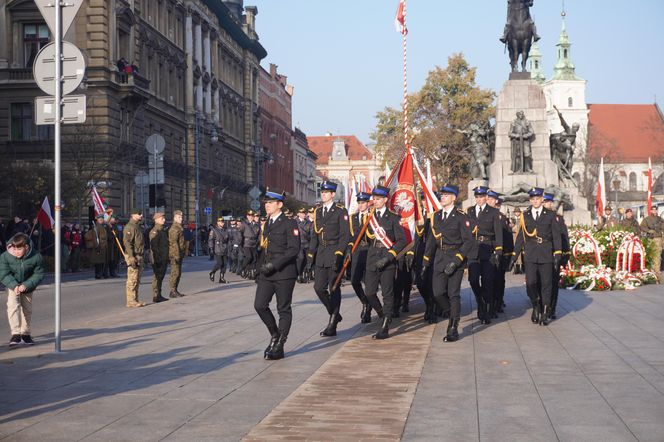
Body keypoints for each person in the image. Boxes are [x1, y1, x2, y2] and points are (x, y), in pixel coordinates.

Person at [421, 184, 474, 342]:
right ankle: (453, 313)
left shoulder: (461, 217)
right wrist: (425, 261)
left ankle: (453, 327)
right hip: (439, 257)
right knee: (437, 292)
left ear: (453, 198)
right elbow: (431, 240)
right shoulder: (435, 216)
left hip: (455, 257)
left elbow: (468, 242)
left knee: (453, 293)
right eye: (442, 195)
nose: (442, 197)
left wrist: (458, 260)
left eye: (445, 195)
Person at [254, 188, 300, 360]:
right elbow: (264, 248)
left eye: (270, 203)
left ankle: (280, 344)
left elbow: (293, 250)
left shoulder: (290, 223)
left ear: (279, 205)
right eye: (266, 203)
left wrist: (274, 265)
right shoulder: (267, 223)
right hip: (266, 272)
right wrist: (258, 269)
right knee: (259, 305)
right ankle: (275, 334)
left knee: (283, 309)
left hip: (284, 272)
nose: (267, 205)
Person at [511, 187, 562, 325]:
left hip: (546, 252)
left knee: (546, 284)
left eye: (538, 198)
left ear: (542, 199)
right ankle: (536, 305)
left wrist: (558, 253)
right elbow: (521, 236)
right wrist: (514, 255)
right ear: (530, 200)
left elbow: (556, 236)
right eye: (533, 199)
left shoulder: (550, 215)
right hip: (531, 253)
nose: (535, 201)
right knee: (531, 283)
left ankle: (545, 311)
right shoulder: (525, 215)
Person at [362, 185, 407, 340]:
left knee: (387, 294)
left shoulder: (394, 218)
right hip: (372, 257)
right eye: (374, 198)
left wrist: (389, 257)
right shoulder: (369, 217)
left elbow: (402, 241)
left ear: (385, 200)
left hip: (387, 259)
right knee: (369, 292)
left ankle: (385, 325)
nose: (375, 201)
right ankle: (382, 314)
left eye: (379, 198)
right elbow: (366, 238)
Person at [308, 181, 351, 337]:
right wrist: (310, 255)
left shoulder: (340, 211)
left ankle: (332, 323)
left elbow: (345, 234)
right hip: (321, 252)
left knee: (333, 288)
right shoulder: (318, 211)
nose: (323, 194)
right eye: (322, 191)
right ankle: (335, 313)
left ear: (333, 194)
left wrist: (339, 253)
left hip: (334, 251)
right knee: (318, 288)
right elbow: (315, 235)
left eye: (326, 192)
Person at [0, 233, 44, 347]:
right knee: (12, 306)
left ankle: (25, 334)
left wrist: (27, 285)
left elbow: (38, 274)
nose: (16, 251)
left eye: (19, 249)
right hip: (12, 284)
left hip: (27, 284)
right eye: (14, 248)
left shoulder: (36, 256)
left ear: (26, 247)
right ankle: (15, 334)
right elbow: (3, 273)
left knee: (27, 309)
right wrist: (14, 285)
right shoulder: (5, 256)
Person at [467, 186, 503, 324]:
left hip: (487, 250)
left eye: (482, 197)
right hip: (473, 250)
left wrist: (498, 251)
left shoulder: (493, 212)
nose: (479, 199)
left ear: (486, 198)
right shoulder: (469, 211)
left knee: (488, 282)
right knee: (473, 280)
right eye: (477, 197)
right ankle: (480, 300)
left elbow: (498, 233)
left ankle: (486, 310)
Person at [543, 193, 569, 319]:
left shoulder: (557, 218)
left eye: (547, 202)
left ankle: (551, 308)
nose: (545, 204)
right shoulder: (534, 217)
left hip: (554, 255)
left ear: (551, 203)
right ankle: (540, 305)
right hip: (540, 254)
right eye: (544, 202)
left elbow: (564, 236)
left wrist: (566, 253)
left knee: (552, 283)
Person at [348, 192, 372, 323]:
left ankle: (368, 309)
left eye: (363, 203)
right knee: (354, 280)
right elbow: (350, 235)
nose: (361, 205)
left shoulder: (372, 216)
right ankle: (365, 302)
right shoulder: (353, 218)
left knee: (369, 283)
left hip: (369, 251)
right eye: (359, 203)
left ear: (368, 203)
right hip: (357, 251)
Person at [488, 192, 513, 314]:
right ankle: (489, 302)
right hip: (487, 253)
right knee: (488, 279)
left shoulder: (501, 218)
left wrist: (508, 255)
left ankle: (497, 302)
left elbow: (507, 238)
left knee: (498, 280)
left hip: (500, 254)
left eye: (492, 199)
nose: (489, 201)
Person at [123, 209, 146, 307]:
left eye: (141, 213)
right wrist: (131, 256)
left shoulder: (137, 226)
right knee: (132, 279)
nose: (141, 215)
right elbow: (127, 243)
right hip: (133, 255)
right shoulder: (130, 227)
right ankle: (130, 301)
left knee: (137, 279)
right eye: (139, 214)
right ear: (133, 215)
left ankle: (135, 299)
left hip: (139, 255)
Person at [148, 213, 170, 303]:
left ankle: (159, 295)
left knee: (160, 276)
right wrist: (158, 259)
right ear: (156, 220)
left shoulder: (162, 230)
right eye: (162, 218)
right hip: (158, 258)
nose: (164, 220)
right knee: (157, 277)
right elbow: (154, 246)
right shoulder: (155, 231)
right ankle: (156, 295)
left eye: (164, 218)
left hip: (163, 257)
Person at [168, 210, 186, 298]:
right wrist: (177, 255)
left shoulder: (179, 227)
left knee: (178, 272)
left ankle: (175, 290)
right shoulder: (174, 228)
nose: (181, 219)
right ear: (175, 218)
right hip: (175, 254)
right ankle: (172, 291)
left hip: (179, 253)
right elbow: (174, 243)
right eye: (179, 217)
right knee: (175, 272)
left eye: (182, 217)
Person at [640, 205, 663, 274]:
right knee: (650, 254)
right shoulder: (646, 219)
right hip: (650, 238)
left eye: (655, 210)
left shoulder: (660, 219)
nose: (654, 211)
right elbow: (642, 227)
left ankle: (657, 270)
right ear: (650, 211)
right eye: (653, 209)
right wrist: (649, 231)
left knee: (658, 254)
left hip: (658, 238)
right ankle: (651, 270)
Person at [85, 215, 109, 279]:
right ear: (97, 220)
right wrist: (97, 247)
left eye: (102, 219)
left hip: (103, 247)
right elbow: (95, 238)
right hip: (99, 247)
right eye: (100, 219)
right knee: (98, 262)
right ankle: (98, 274)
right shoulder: (96, 227)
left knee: (101, 262)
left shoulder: (102, 226)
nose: (101, 220)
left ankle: (102, 274)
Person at [209, 217, 230, 283]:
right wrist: (211, 248)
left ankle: (222, 278)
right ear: (217, 222)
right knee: (219, 263)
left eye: (223, 222)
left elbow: (228, 239)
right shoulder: (214, 230)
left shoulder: (226, 230)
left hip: (225, 248)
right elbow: (210, 240)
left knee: (224, 264)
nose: (222, 223)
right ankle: (212, 272)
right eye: (220, 222)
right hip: (217, 248)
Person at [294, 208, 311, 283]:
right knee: (300, 258)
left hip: (307, 243)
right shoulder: (294, 222)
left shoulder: (308, 222)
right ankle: (298, 274)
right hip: (299, 243)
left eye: (304, 213)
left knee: (307, 260)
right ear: (298, 214)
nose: (303, 214)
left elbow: (311, 232)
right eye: (302, 213)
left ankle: (304, 274)